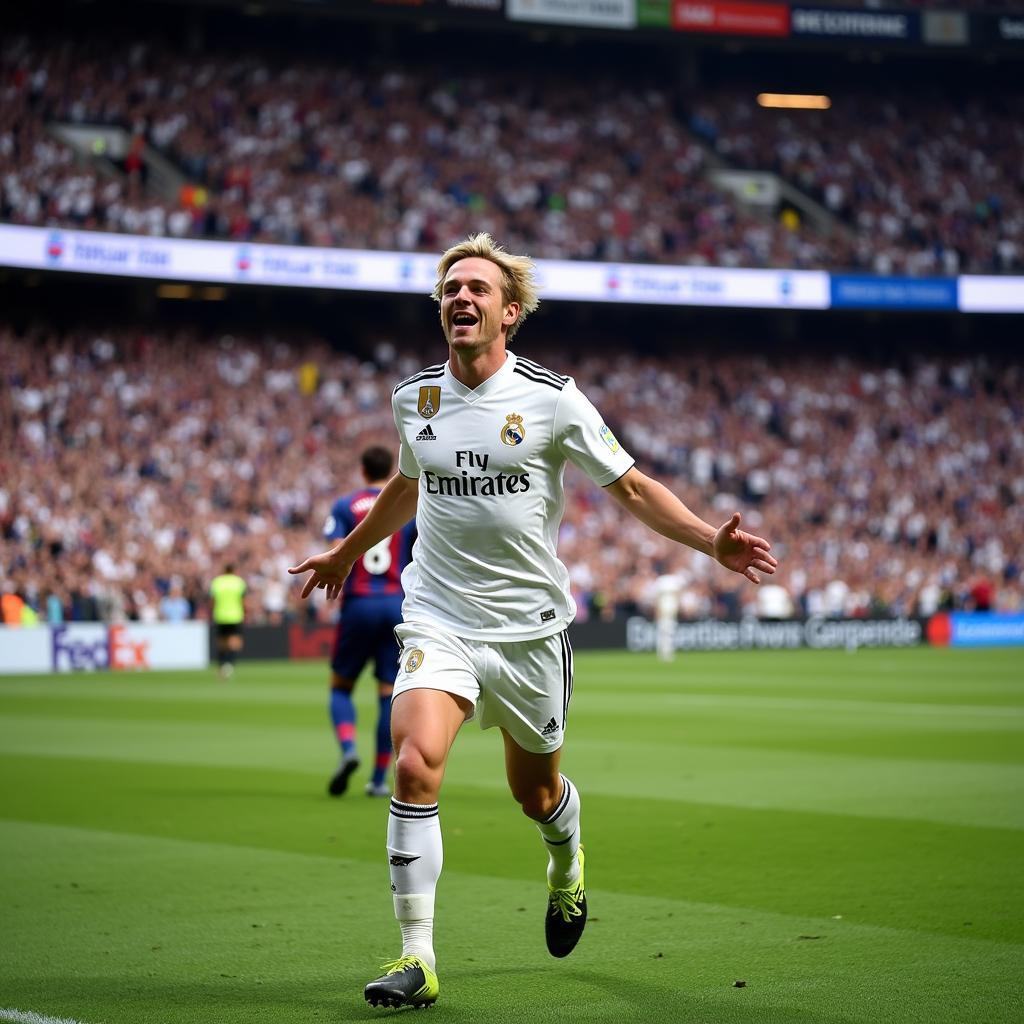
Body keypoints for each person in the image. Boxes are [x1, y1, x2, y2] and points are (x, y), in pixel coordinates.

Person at [288, 233, 778, 1010]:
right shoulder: (412, 398)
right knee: (414, 764)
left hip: (529, 632)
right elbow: (410, 486)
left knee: (536, 792)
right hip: (438, 617)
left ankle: (567, 861)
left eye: (478, 289)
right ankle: (417, 957)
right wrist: (347, 551)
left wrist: (708, 541)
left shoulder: (552, 398)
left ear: (509, 312)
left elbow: (633, 488)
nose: (461, 298)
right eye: (451, 288)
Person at [323, 446, 416, 798]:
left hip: (359, 602)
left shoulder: (345, 505)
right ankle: (378, 779)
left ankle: (348, 749)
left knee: (340, 686)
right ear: (391, 467)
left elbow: (336, 551)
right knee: (387, 694)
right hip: (396, 604)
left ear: (362, 470)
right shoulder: (406, 503)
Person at [209, 563, 246, 679]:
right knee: (235, 642)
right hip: (235, 615)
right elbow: (243, 600)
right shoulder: (239, 583)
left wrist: (212, 612)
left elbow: (212, 601)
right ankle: (229, 664)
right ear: (234, 570)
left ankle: (221, 665)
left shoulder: (217, 582)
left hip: (220, 615)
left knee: (221, 642)